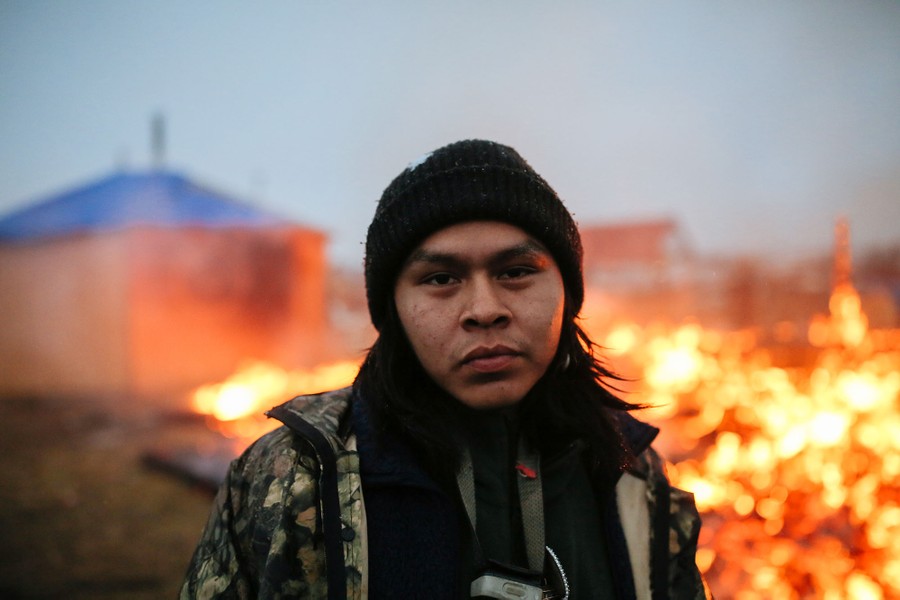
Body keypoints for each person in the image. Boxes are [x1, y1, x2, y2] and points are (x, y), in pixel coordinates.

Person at [181, 140, 711, 599]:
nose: (484, 309)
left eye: (517, 271)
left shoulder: (631, 475)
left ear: (567, 293)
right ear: (393, 310)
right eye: (440, 278)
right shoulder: (297, 475)